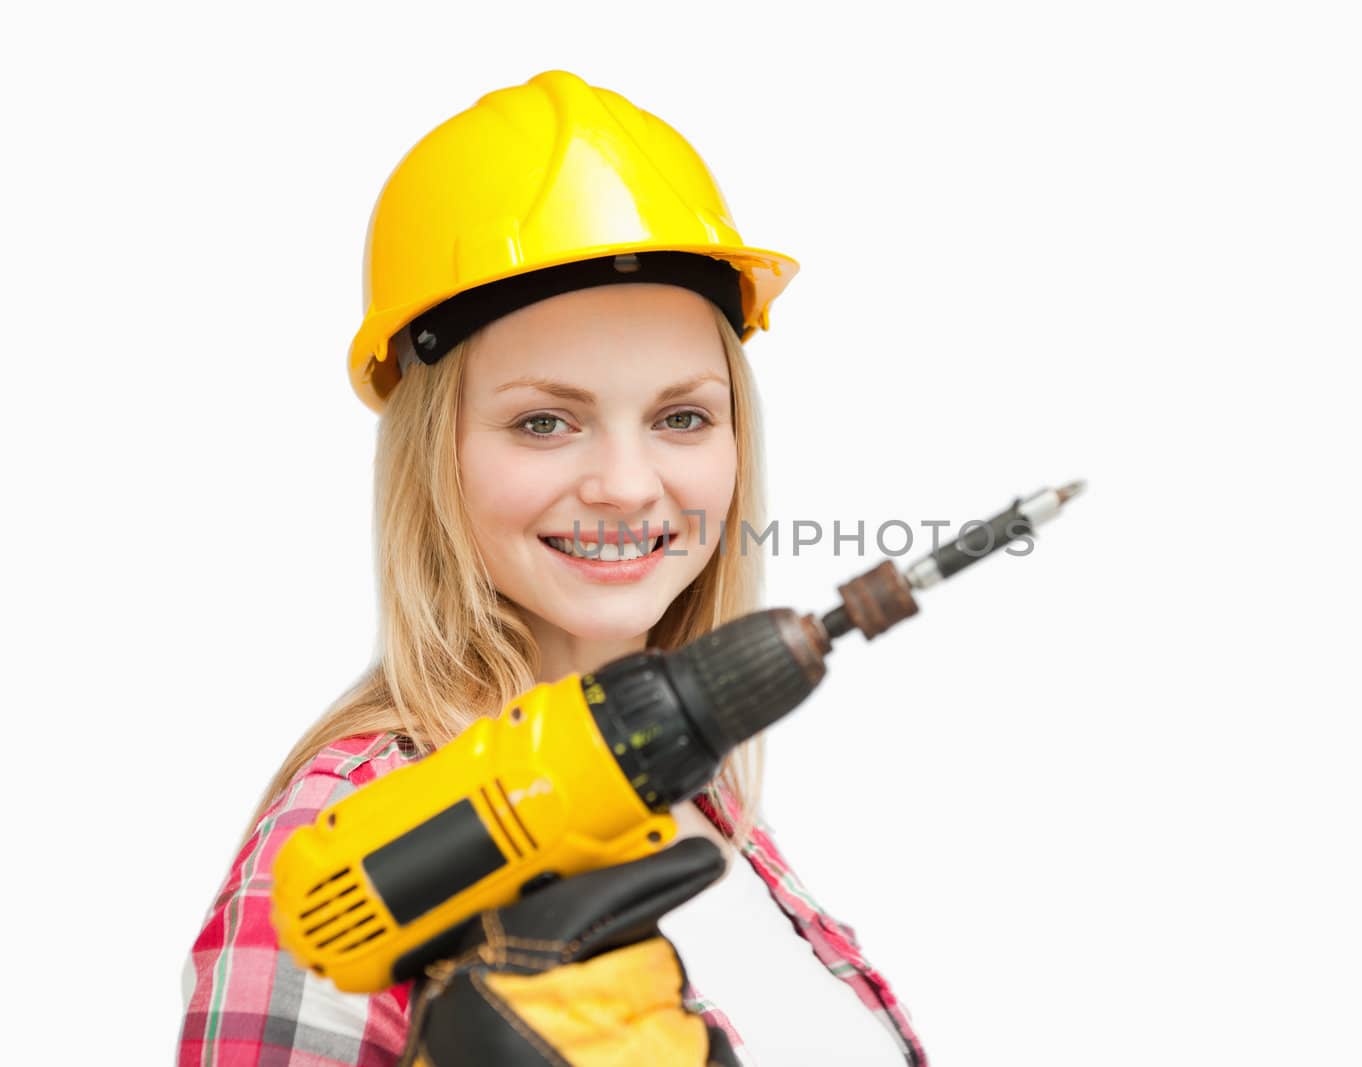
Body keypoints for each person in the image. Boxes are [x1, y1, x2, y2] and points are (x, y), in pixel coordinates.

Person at [178, 70, 927, 1066]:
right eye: (543, 420)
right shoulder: (351, 843)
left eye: (681, 416)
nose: (627, 484)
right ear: (433, 453)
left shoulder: (690, 794)